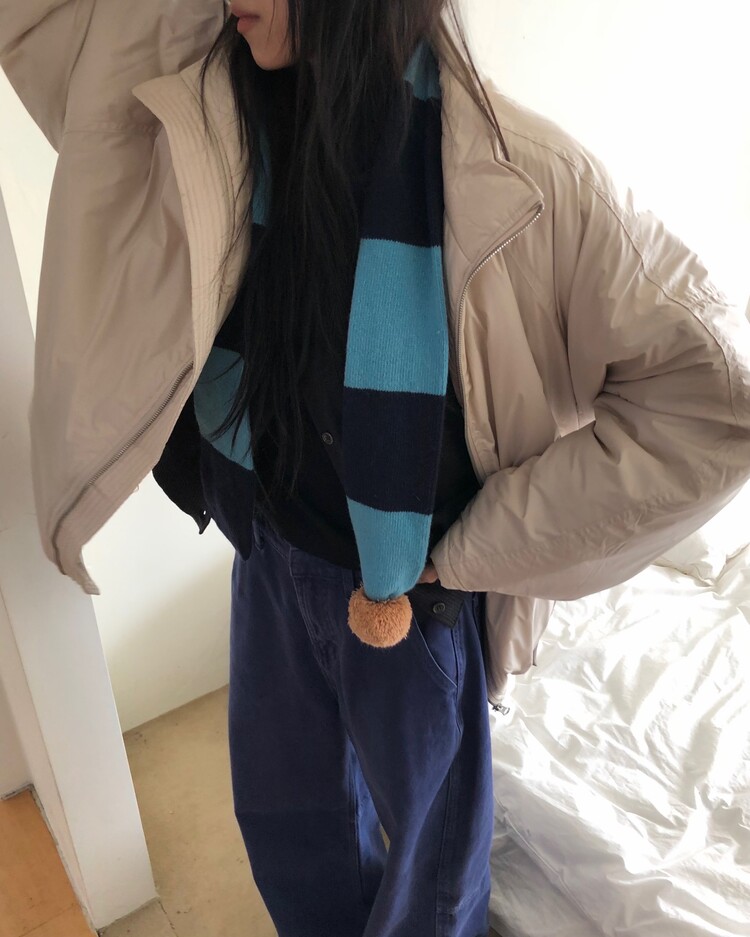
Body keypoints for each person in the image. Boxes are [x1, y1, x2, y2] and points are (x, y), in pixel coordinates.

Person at [2, 1, 750, 935]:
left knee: (429, 876)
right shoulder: (205, 114)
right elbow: (37, 23)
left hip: (409, 597)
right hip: (267, 555)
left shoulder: (518, 171)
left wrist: (479, 548)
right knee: (287, 825)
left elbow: (713, 403)